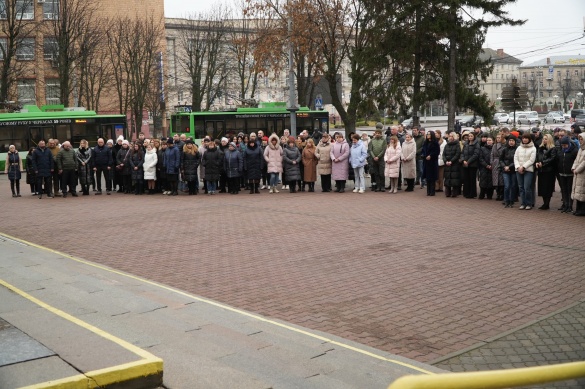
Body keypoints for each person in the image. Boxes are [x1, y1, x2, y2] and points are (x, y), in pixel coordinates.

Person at [514, 133, 537, 210]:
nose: (524, 139)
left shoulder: (533, 148)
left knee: (527, 187)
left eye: (526, 138)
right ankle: (523, 203)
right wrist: (518, 167)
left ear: (529, 139)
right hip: (518, 170)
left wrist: (523, 167)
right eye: (523, 138)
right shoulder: (519, 148)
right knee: (521, 187)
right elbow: (515, 158)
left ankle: (529, 203)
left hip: (528, 170)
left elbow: (532, 160)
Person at [534, 134, 557, 210]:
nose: (544, 140)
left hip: (549, 171)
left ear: (549, 140)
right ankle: (544, 203)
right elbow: (537, 156)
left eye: (546, 139)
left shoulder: (553, 148)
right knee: (542, 187)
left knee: (548, 187)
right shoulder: (540, 148)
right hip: (541, 170)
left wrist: (543, 163)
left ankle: (547, 203)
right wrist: (537, 162)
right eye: (543, 139)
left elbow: (552, 158)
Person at [557, 136, 578, 213]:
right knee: (563, 189)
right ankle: (565, 204)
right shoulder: (561, 151)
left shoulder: (574, 151)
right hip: (562, 173)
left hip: (570, 174)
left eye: (565, 145)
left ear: (568, 144)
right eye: (562, 145)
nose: (564, 147)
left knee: (569, 190)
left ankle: (570, 205)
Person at [460, 132, 480, 198]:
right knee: (466, 179)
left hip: (472, 164)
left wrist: (468, 161)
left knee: (472, 179)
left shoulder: (476, 144)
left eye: (471, 136)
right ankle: (466, 193)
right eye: (469, 136)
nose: (470, 137)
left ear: (474, 137)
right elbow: (462, 153)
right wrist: (463, 160)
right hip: (465, 164)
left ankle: (472, 193)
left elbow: (476, 154)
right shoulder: (466, 144)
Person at [500, 135, 518, 208]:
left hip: (513, 170)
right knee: (507, 186)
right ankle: (506, 200)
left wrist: (509, 166)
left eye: (513, 141)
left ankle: (512, 200)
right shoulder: (504, 149)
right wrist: (504, 166)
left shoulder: (517, 149)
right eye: (510, 141)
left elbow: (516, 160)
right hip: (505, 170)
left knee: (513, 186)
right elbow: (501, 159)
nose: (511, 142)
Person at [442, 132, 461, 197]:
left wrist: (451, 161)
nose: (450, 137)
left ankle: (454, 193)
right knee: (447, 178)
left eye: (452, 136)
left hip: (454, 164)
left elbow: (457, 154)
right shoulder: (446, 145)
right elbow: (443, 154)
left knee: (454, 179)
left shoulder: (457, 145)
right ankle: (447, 192)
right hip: (447, 164)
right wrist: (445, 161)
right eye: (449, 136)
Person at [421, 131, 440, 196]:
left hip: (432, 162)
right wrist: (423, 155)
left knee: (432, 177)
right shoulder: (425, 143)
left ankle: (432, 191)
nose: (428, 135)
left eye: (429, 134)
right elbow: (423, 150)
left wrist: (431, 156)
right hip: (426, 162)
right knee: (427, 177)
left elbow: (437, 152)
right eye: (427, 134)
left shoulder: (435, 143)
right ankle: (428, 191)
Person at [571, 133, 585, 216]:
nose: (580, 141)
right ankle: (578, 209)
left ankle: (582, 210)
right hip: (577, 173)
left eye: (581, 139)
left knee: (582, 192)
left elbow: (584, 163)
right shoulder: (580, 149)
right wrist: (573, 167)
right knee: (578, 191)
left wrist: (577, 170)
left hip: (582, 173)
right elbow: (576, 160)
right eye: (579, 139)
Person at [368, 127, 386, 192]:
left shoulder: (383, 140)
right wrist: (374, 157)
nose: (377, 134)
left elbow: (384, 149)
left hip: (381, 159)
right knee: (376, 173)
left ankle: (383, 186)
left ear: (381, 134)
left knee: (381, 173)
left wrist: (378, 156)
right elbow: (370, 149)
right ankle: (378, 186)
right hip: (374, 159)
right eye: (376, 133)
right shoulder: (372, 140)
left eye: (379, 133)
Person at [491, 132, 506, 201]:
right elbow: (492, 154)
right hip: (495, 163)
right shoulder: (494, 145)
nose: (498, 139)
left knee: (501, 180)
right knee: (495, 180)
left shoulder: (504, 146)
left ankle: (501, 194)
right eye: (497, 138)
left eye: (499, 137)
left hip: (501, 162)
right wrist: (491, 162)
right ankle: (498, 193)